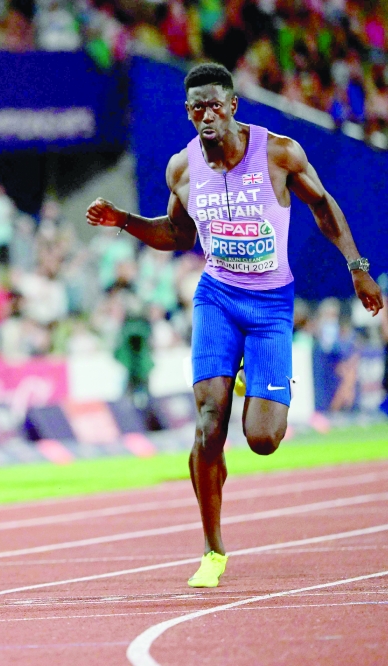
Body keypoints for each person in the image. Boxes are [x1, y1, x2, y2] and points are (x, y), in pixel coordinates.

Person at [85, 63, 383, 588]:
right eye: (196, 107)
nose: (206, 115)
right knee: (207, 422)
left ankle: (250, 376)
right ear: (187, 111)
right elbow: (177, 236)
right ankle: (212, 550)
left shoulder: (278, 152)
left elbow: (323, 206)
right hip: (217, 298)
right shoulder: (181, 168)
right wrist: (125, 221)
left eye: (215, 105)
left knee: (264, 438)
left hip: (270, 306)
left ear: (232, 106)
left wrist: (357, 269)